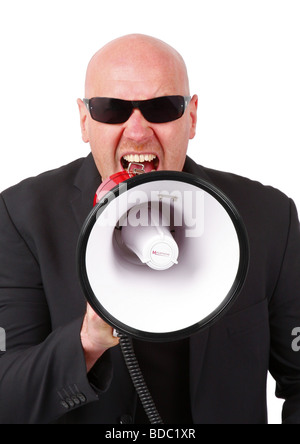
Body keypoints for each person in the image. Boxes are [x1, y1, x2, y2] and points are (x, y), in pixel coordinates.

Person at [0, 33, 300, 425]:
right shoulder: (22, 216)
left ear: (191, 117)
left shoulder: (268, 217)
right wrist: (86, 342)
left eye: (162, 107)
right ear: (84, 120)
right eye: (111, 109)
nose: (138, 132)